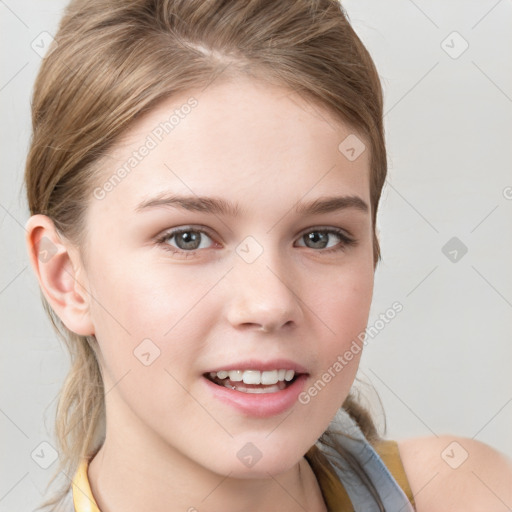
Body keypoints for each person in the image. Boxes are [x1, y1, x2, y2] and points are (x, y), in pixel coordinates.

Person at [23, 0, 512, 511]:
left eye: (320, 237)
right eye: (188, 237)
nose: (269, 304)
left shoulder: (469, 494)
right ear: (65, 276)